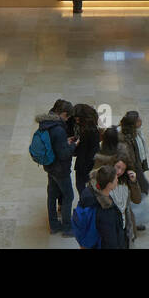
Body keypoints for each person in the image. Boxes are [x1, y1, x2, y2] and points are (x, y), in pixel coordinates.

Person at [34, 98, 75, 235]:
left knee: (52, 195)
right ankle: (67, 227)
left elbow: (54, 144)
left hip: (49, 166)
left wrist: (64, 142)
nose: (68, 119)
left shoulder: (46, 122)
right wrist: (73, 145)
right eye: (67, 116)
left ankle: (54, 225)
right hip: (60, 170)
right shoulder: (58, 129)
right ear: (63, 113)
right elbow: (63, 154)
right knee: (68, 196)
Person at [92, 140, 141, 244]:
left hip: (124, 226)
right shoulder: (102, 177)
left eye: (123, 169)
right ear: (112, 164)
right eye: (118, 167)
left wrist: (134, 182)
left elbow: (137, 200)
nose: (119, 172)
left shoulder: (126, 180)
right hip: (107, 225)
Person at [77, 165, 126, 248]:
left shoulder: (88, 193)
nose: (117, 180)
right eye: (115, 178)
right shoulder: (106, 211)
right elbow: (110, 241)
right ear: (109, 184)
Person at [118, 110, 149, 200]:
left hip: (138, 165)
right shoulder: (128, 139)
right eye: (138, 120)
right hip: (134, 167)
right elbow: (131, 157)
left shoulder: (136, 132)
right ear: (133, 124)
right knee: (142, 188)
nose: (141, 120)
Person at [72, 103, 100, 197]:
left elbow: (93, 150)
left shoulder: (92, 131)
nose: (76, 120)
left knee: (82, 186)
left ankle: (85, 203)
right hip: (83, 160)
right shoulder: (83, 126)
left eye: (77, 118)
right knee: (80, 185)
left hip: (87, 163)